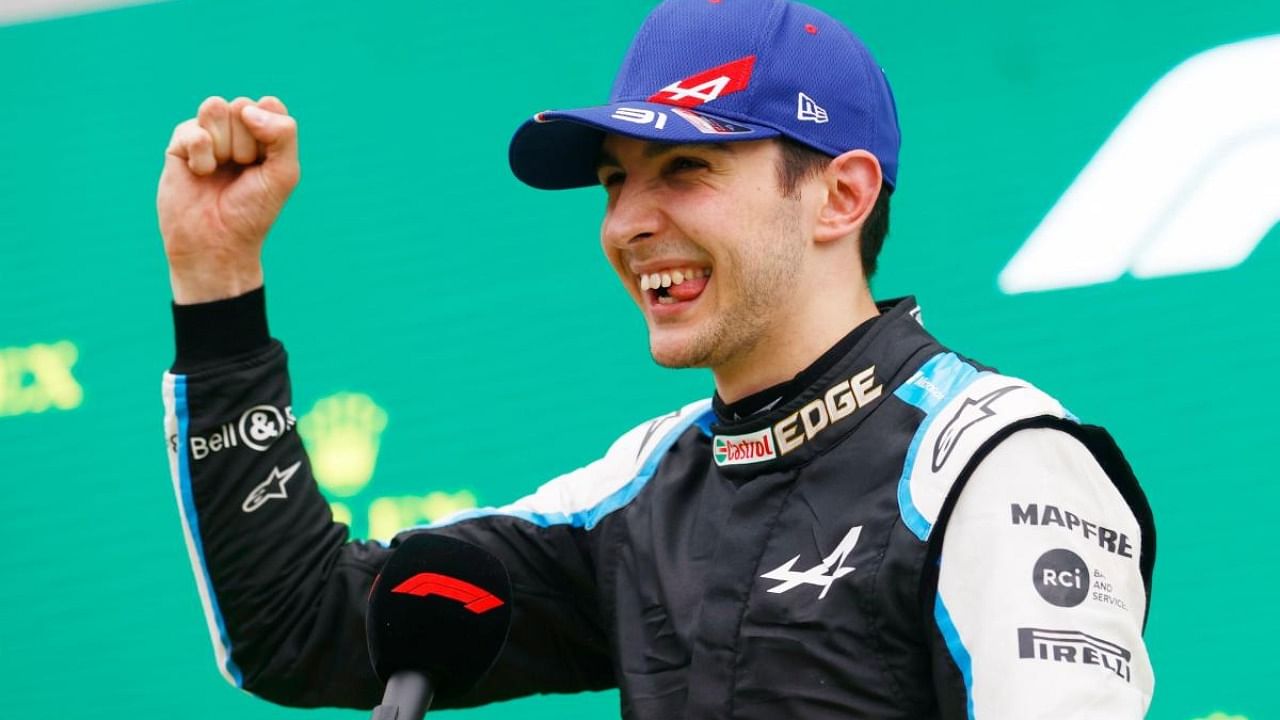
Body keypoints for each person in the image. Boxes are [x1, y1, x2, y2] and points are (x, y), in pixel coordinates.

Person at [157, 0, 1156, 717]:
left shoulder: (994, 462)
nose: (628, 223)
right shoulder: (642, 489)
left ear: (841, 197)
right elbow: (299, 628)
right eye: (611, 182)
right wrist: (218, 283)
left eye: (684, 170)